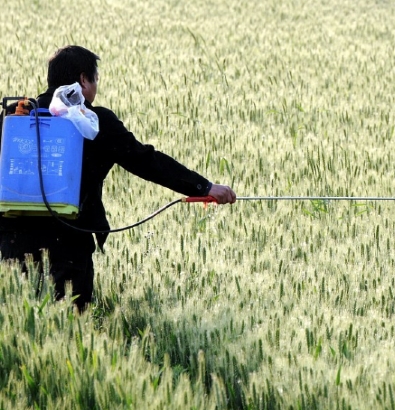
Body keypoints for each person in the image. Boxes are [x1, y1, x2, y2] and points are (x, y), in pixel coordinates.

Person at [0, 45, 236, 310]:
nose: (96, 85)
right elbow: (148, 162)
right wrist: (203, 186)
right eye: (95, 79)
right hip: (69, 242)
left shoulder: (15, 117)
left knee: (15, 316)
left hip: (13, 239)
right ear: (82, 80)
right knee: (70, 321)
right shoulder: (95, 121)